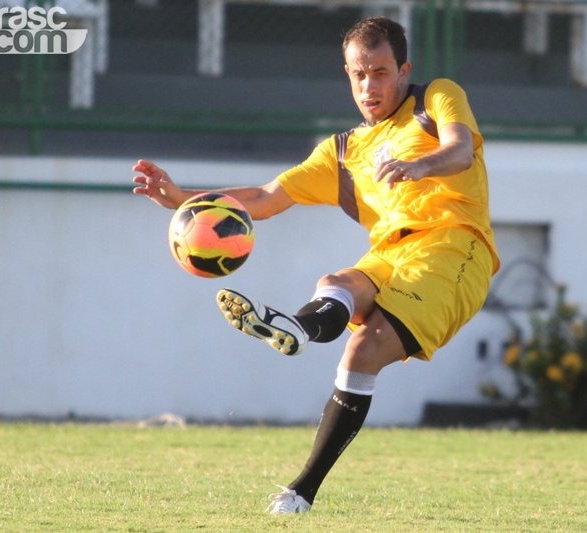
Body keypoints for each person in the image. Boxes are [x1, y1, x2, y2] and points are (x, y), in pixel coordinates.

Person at [132, 16, 499, 514]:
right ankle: (298, 340)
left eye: (381, 73)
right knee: (337, 289)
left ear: (403, 70)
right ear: (347, 74)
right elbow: (264, 198)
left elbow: (459, 150)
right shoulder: (343, 151)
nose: (369, 86)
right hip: (390, 254)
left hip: (456, 248)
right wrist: (181, 198)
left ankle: (301, 479)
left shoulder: (436, 97)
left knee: (365, 346)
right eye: (359, 74)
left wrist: (419, 165)